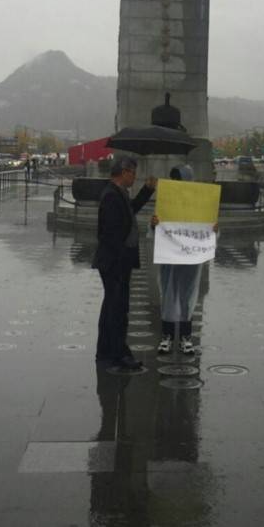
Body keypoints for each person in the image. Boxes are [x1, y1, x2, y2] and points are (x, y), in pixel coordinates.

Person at [92, 156, 156, 370]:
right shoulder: (112, 196)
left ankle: (111, 353)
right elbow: (110, 235)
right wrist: (121, 260)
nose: (134, 177)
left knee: (114, 308)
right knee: (116, 310)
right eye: (133, 173)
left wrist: (147, 190)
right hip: (114, 262)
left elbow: (131, 210)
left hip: (117, 261)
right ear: (124, 172)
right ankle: (114, 356)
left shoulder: (119, 193)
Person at [151, 165, 217, 356]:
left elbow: (209, 230)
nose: (176, 183)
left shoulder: (200, 204)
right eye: (174, 180)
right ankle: (167, 336)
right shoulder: (166, 203)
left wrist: (213, 229)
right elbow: (155, 231)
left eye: (179, 179)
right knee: (168, 295)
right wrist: (154, 225)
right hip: (169, 258)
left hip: (190, 259)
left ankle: (185, 337)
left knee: (187, 296)